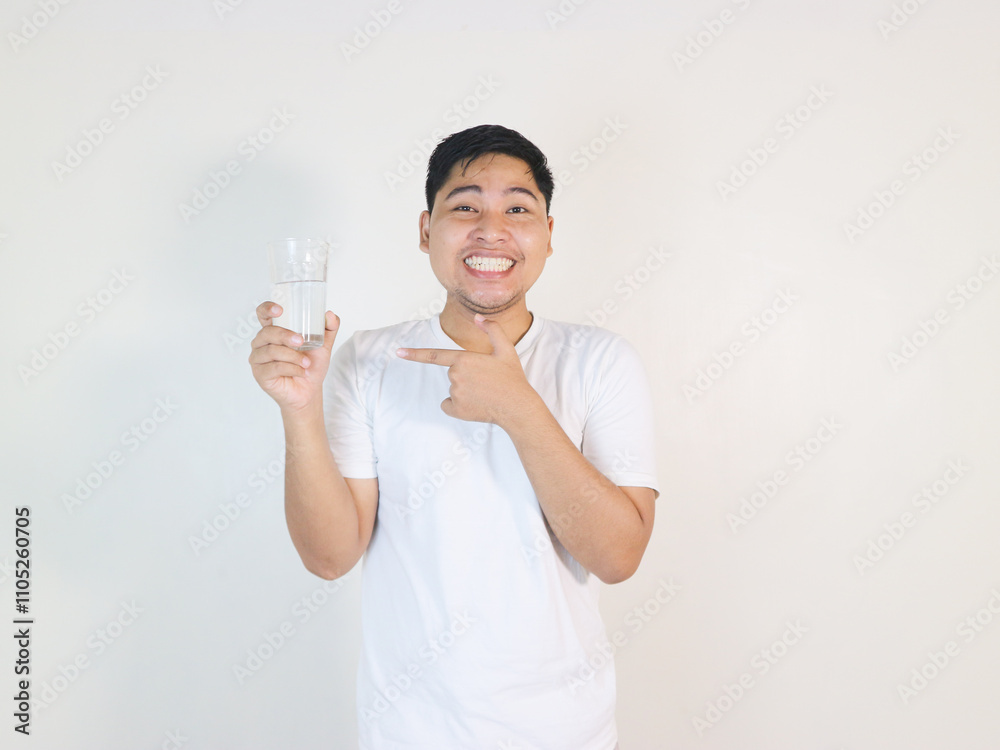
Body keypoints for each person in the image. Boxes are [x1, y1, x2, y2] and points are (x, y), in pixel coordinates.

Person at [249, 124, 660, 750]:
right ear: (426, 231)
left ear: (549, 235)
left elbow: (618, 557)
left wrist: (518, 408)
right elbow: (330, 558)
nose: (491, 230)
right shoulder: (367, 360)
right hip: (408, 732)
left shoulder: (601, 361)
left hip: (563, 733)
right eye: (465, 207)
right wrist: (299, 408)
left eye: (517, 209)